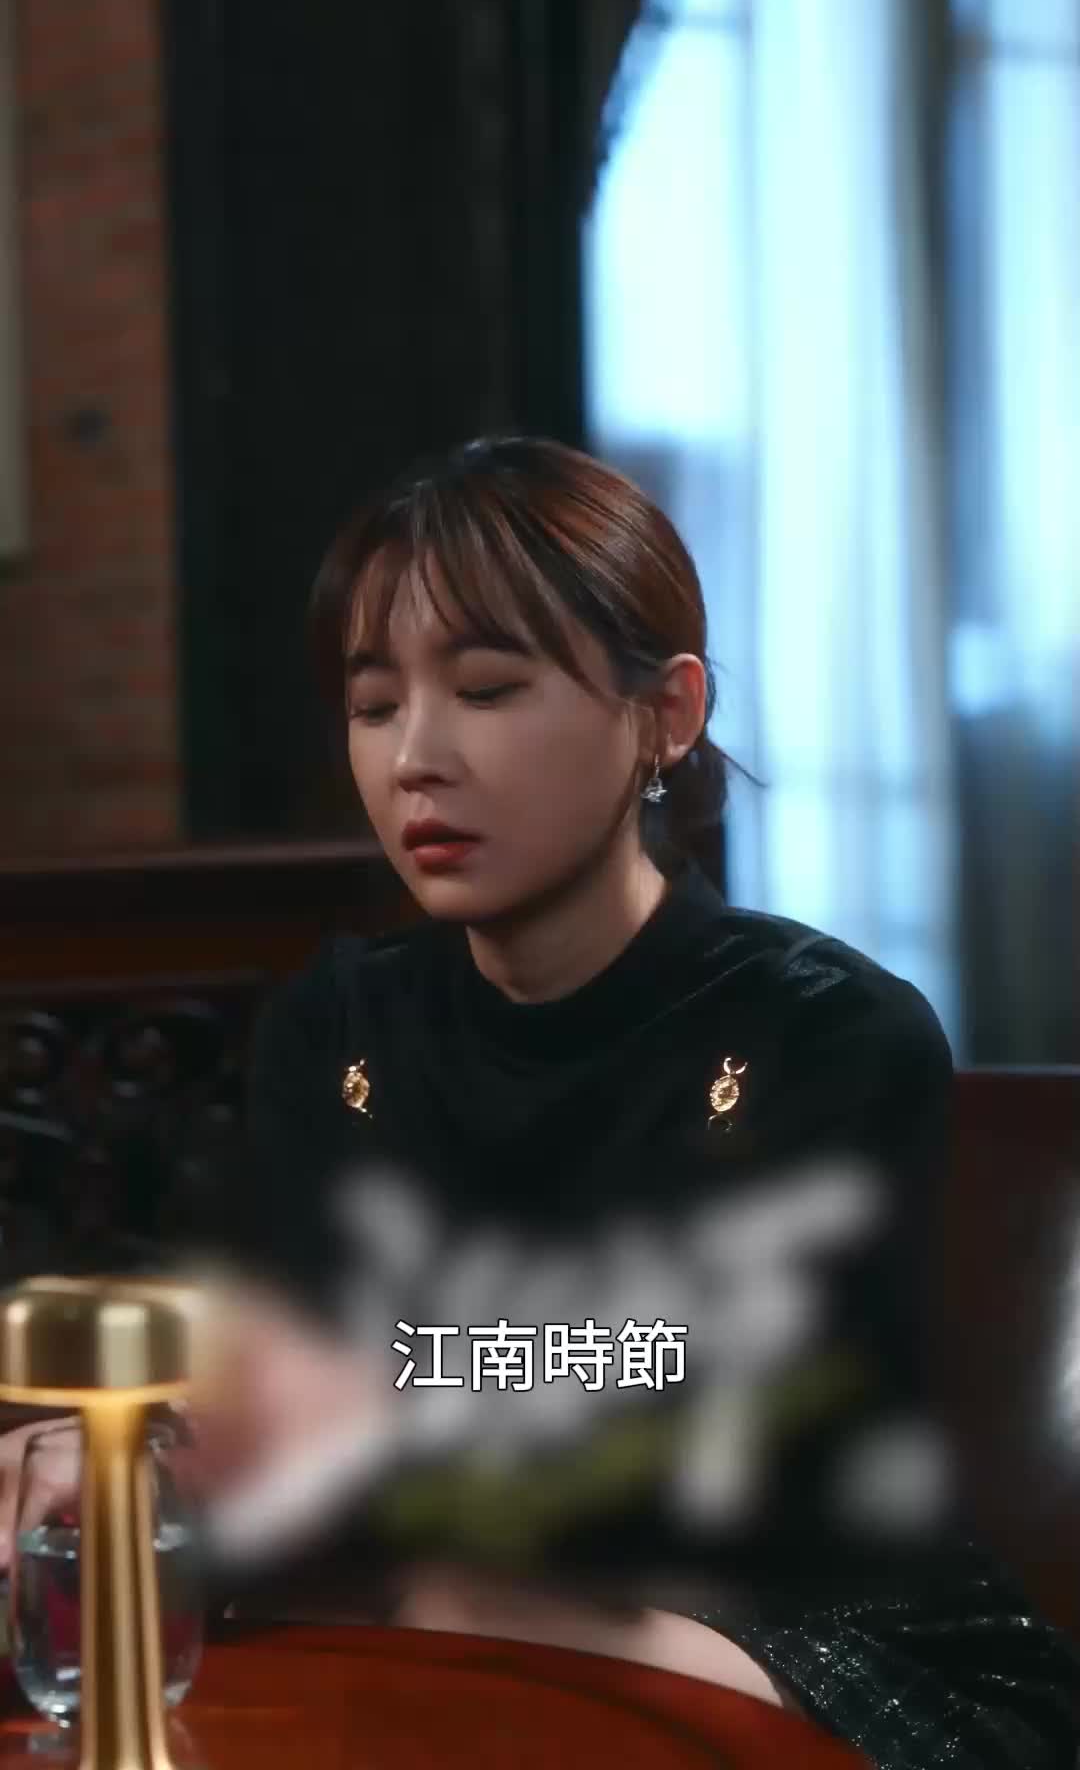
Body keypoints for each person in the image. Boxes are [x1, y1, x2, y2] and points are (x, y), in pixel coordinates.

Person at [3, 434, 1078, 1765]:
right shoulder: (340, 1024)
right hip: (422, 1597)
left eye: (488, 690)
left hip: (795, 1624)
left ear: (667, 714)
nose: (417, 758)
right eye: (375, 704)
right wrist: (132, 1450)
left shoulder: (826, 1032)